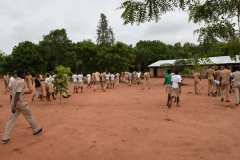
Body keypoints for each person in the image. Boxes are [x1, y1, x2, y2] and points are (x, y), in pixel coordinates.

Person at [1, 71, 43, 144]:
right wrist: (29, 80)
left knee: (11, 120)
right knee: (29, 116)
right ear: (22, 75)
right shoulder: (21, 81)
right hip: (20, 103)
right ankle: (36, 129)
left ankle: (5, 137)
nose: (25, 75)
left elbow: (14, 90)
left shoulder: (14, 81)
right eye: (24, 74)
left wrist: (13, 104)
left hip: (14, 102)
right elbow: (20, 93)